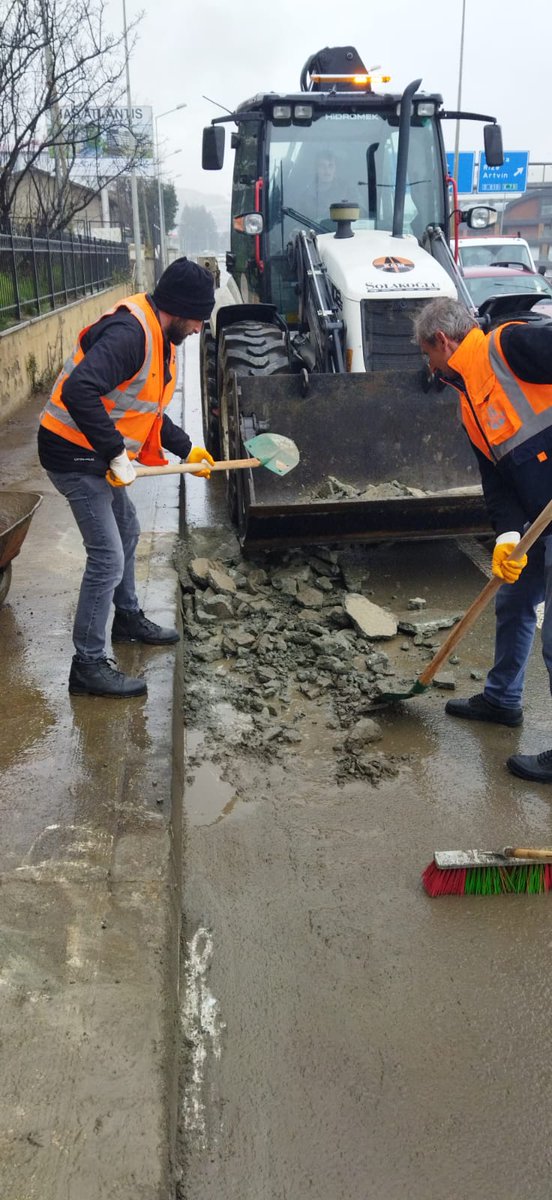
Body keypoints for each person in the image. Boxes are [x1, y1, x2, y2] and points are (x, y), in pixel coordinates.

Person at [38, 256, 215, 699]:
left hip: (93, 451)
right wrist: (116, 454)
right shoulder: (130, 333)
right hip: (70, 452)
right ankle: (89, 665)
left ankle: (128, 617)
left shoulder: (160, 337)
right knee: (107, 556)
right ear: (177, 309)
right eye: (196, 320)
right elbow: (80, 389)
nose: (197, 330)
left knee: (128, 529)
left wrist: (187, 448)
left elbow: (146, 410)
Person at [412, 296, 552, 783]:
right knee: (513, 601)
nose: (428, 367)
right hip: (537, 516)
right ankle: (501, 700)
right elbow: (497, 481)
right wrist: (508, 536)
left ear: (442, 342)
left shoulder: (510, 345)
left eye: (427, 356)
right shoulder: (468, 399)